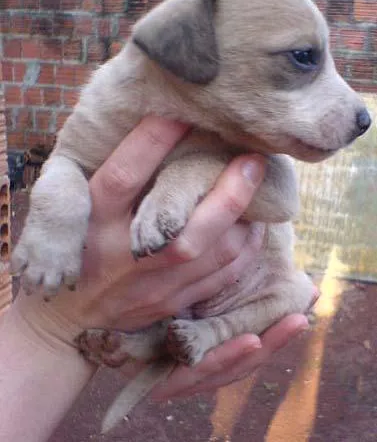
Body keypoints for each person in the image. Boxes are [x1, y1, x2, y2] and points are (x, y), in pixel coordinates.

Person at [0, 115, 310, 441]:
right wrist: (53, 325)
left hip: (243, 290)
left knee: (297, 291)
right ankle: (154, 337)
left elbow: (282, 201)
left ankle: (180, 335)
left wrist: (50, 328)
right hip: (161, 283)